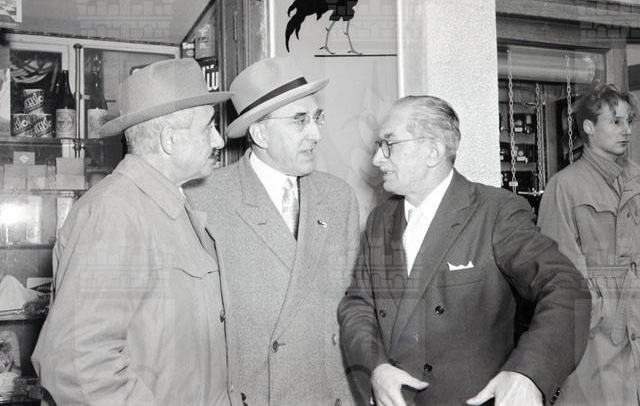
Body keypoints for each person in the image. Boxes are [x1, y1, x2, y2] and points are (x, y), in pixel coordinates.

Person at [338, 95, 591, 406]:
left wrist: (529, 374)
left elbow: (567, 287)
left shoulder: (495, 212)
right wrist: (375, 367)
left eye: (389, 144)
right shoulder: (380, 219)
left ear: (433, 151)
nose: (378, 158)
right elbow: (358, 304)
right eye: (379, 145)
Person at [32, 58, 242, 405]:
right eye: (208, 127)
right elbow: (78, 368)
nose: (219, 140)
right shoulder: (116, 213)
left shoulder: (168, 206)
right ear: (169, 140)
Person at [187, 56, 360, 405]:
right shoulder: (205, 199)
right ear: (260, 133)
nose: (316, 134)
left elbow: (352, 305)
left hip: (329, 393)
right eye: (300, 120)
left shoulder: (338, 196)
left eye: (317, 117)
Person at [537, 84, 640, 406]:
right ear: (589, 127)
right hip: (598, 330)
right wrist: (596, 311)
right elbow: (559, 266)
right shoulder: (565, 186)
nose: (626, 130)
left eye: (628, 121)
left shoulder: (637, 179)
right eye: (615, 121)